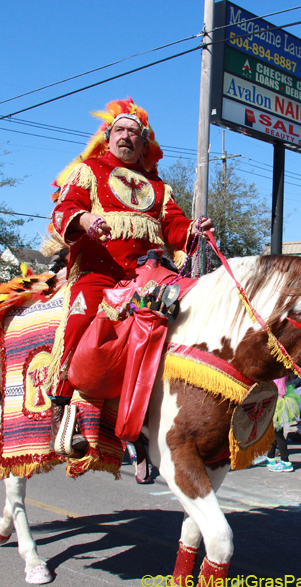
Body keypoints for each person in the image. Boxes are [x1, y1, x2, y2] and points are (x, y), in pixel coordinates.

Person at [43, 98, 212, 408]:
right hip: (98, 274)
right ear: (108, 137)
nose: (125, 136)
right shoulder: (89, 170)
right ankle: (60, 402)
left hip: (148, 279)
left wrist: (193, 230)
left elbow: (173, 225)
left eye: (134, 132)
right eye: (119, 130)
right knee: (79, 320)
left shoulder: (158, 187)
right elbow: (63, 210)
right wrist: (85, 219)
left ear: (143, 142)